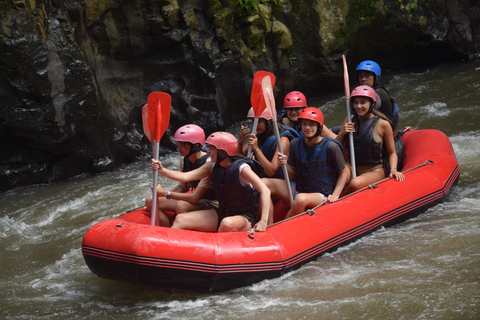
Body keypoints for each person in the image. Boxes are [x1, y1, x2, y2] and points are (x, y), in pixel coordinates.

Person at [151, 132, 271, 232]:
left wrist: (263, 221)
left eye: (212, 149)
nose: (208, 151)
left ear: (223, 152)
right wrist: (162, 170)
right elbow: (185, 176)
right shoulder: (212, 166)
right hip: (223, 212)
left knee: (226, 223)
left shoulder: (242, 169)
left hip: (245, 216)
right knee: (180, 219)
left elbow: (265, 190)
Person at [263, 107, 350, 219]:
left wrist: (335, 195)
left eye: (311, 124)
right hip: (300, 187)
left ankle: (283, 226)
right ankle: (268, 222)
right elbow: (292, 175)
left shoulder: (331, 147)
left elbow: (343, 173)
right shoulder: (295, 144)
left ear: (319, 127)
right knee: (263, 183)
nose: (307, 128)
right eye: (304, 124)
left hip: (322, 194)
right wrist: (283, 165)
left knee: (300, 199)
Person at [336, 85, 404, 194]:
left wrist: (393, 169)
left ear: (372, 104)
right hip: (351, 166)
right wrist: (341, 133)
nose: (358, 106)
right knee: (334, 178)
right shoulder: (350, 119)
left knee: (355, 183)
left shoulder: (383, 125)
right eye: (356, 103)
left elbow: (392, 152)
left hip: (374, 170)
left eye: (363, 102)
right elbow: (336, 148)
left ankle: (339, 202)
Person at [146, 124, 217, 227]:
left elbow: (194, 198)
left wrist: (165, 193)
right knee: (151, 200)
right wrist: (159, 195)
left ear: (196, 146)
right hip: (197, 200)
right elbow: (183, 187)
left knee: (181, 205)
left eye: (182, 145)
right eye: (178, 144)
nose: (178, 149)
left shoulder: (209, 162)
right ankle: (166, 231)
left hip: (211, 202)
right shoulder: (184, 160)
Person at [238, 107, 295, 179]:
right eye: (253, 121)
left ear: (269, 122)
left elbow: (271, 171)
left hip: (281, 181)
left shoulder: (283, 140)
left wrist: (256, 149)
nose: (255, 125)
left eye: (258, 121)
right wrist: (240, 143)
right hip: (265, 178)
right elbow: (239, 160)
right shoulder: (258, 135)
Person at [356, 60, 399, 130]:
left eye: (367, 76)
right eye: (361, 76)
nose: (363, 79)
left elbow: (362, 117)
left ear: (376, 78)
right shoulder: (364, 93)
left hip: (381, 130)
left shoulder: (379, 93)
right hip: (371, 126)